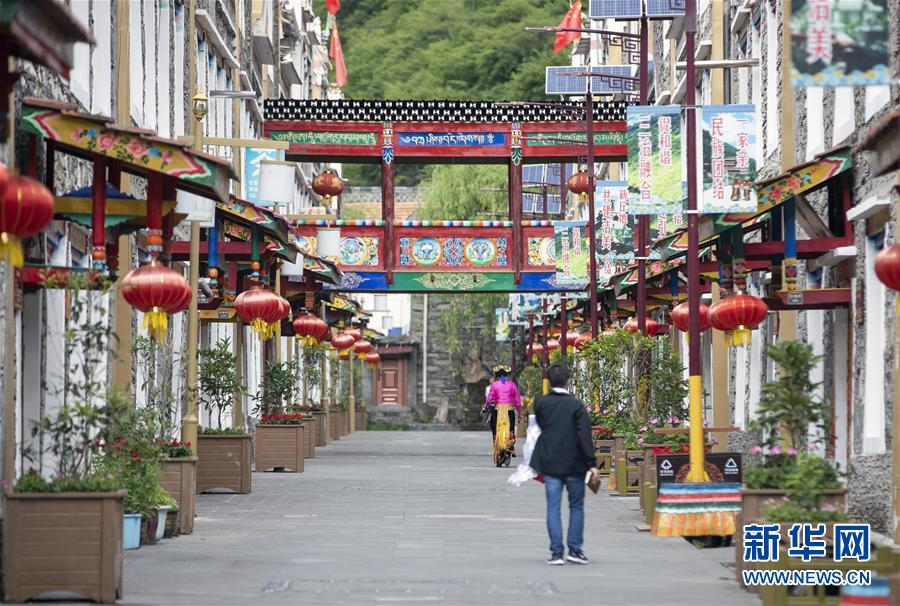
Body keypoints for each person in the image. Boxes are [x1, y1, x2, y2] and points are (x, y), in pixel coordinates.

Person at [529, 363, 597, 566]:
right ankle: (575, 550)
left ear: (549, 381)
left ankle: (557, 552)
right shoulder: (576, 405)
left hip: (550, 462)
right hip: (575, 464)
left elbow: (541, 427)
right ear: (568, 381)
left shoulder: (541, 403)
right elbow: (584, 435)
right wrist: (591, 463)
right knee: (576, 507)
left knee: (553, 508)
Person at [484, 365, 521, 465]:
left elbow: (490, 399)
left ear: (497, 375)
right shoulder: (512, 385)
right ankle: (509, 449)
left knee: (496, 432)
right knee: (510, 431)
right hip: (509, 411)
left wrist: (486, 407)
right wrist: (519, 411)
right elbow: (517, 400)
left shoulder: (494, 385)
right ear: (506, 375)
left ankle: (499, 453)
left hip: (497, 411)